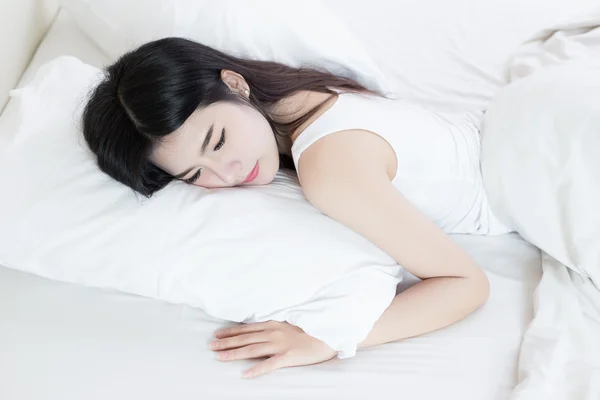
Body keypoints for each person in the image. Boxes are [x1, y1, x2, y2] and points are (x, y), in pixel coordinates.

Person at [82, 37, 512, 379]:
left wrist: (330, 337)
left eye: (216, 141)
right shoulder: (301, 93)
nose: (226, 173)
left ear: (235, 85)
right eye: (194, 175)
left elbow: (465, 284)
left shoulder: (331, 170)